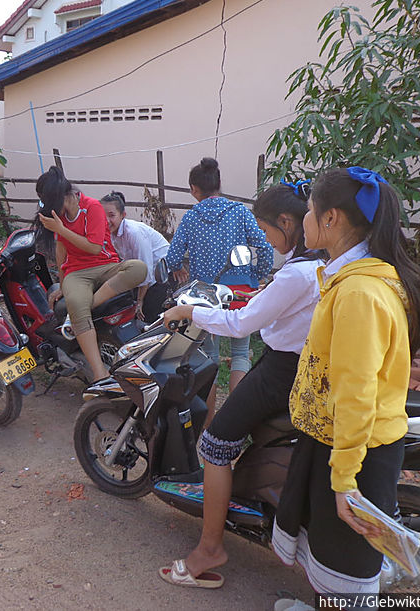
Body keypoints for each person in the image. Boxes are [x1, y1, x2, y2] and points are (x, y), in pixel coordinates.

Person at [271, 167, 420, 608]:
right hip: (337, 439)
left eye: (308, 211)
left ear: (331, 219)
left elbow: (355, 394)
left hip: (352, 448)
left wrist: (344, 479)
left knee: (346, 561)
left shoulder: (359, 292)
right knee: (331, 551)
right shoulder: (353, 278)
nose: (302, 220)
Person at [157, 182, 322, 589]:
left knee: (214, 444)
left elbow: (240, 325)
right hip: (306, 368)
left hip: (281, 372)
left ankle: (210, 547)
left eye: (265, 229)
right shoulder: (324, 265)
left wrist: (188, 310)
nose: (264, 237)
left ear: (288, 222)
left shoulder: (297, 272)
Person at [165, 157, 273, 421]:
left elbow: (172, 256)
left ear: (194, 189)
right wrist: (257, 278)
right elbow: (265, 248)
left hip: (206, 299)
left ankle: (208, 424)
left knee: (210, 361)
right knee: (240, 355)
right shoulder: (239, 211)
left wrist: (180, 269)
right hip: (239, 294)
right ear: (219, 184)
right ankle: (238, 421)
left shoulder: (191, 217)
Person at [36, 167, 146, 388]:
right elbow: (60, 250)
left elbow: (95, 248)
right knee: (75, 301)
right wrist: (62, 280)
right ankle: (99, 374)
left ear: (59, 196)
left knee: (138, 268)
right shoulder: (59, 216)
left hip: (105, 265)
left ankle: (80, 312)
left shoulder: (92, 207)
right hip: (77, 273)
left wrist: (61, 228)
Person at [100, 190, 171, 323]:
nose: (107, 221)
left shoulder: (134, 233)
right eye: (103, 216)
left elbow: (146, 270)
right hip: (142, 277)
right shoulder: (112, 234)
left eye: (111, 215)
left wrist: (140, 301)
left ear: (123, 215)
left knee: (150, 318)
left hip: (161, 275)